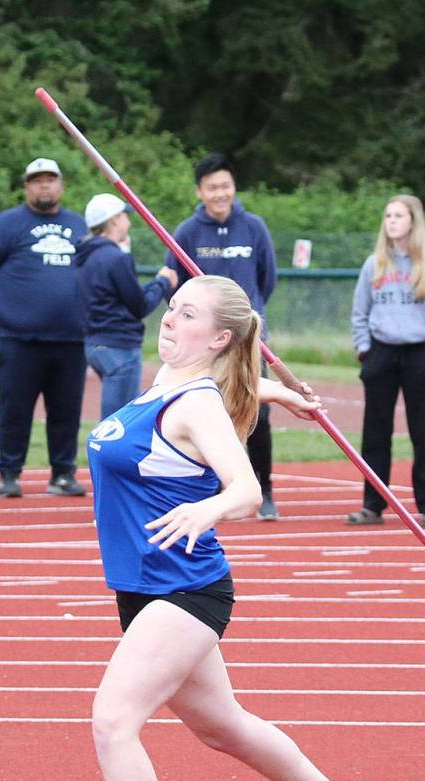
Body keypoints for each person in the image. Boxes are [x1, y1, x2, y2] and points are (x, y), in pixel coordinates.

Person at [85, 275, 382, 781]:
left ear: (218, 337)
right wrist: (279, 392)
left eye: (187, 314)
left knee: (113, 721)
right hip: (145, 588)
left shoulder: (196, 404)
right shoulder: (171, 385)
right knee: (223, 727)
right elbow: (228, 391)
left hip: (184, 590)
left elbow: (245, 488)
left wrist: (208, 508)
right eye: (171, 308)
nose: (169, 319)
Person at [166, 153, 281, 520]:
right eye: (212, 187)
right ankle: (213, 488)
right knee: (207, 412)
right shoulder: (187, 232)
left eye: (225, 186)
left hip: (246, 339)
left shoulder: (254, 227)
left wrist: (246, 318)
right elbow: (177, 282)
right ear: (200, 191)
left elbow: (267, 278)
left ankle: (263, 489)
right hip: (203, 343)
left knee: (256, 412)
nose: (220, 193)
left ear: (234, 187)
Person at [0, 158, 89, 499]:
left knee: (66, 410)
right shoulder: (3, 226)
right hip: (18, 338)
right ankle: (9, 472)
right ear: (26, 187)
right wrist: (11, 299)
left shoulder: (81, 227)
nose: (44, 185)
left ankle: (62, 473)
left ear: (61, 185)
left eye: (50, 179)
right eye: (37, 180)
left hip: (70, 338)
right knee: (15, 409)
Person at [347, 194, 425, 529]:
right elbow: (360, 311)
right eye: (388, 216)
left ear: (413, 221)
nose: (391, 221)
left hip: (420, 353)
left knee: (423, 432)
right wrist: (364, 348)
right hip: (381, 351)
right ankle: (373, 504)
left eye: (398, 215)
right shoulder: (374, 263)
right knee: (375, 433)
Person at [74, 193, 177, 419]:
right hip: (119, 346)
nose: (128, 223)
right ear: (113, 220)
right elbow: (140, 306)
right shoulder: (115, 258)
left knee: (118, 417)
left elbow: (128, 296)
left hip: (94, 344)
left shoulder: (86, 256)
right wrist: (162, 282)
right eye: (124, 216)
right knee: (119, 422)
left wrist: (156, 282)